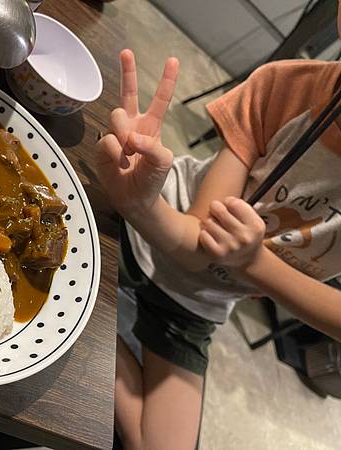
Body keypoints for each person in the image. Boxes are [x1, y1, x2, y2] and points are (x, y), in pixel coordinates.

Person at [96, 5, 341, 449]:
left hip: (198, 303)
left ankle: (95, 328)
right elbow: (196, 244)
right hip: (150, 234)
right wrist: (140, 205)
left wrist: (254, 262)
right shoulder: (287, 89)